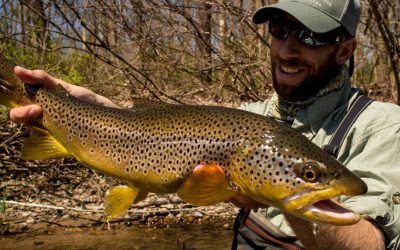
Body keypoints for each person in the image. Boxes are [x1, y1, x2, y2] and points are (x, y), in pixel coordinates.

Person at [8, 0, 400, 249]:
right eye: (279, 30)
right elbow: (154, 129)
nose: (287, 48)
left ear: (345, 49)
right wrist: (96, 109)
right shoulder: (255, 116)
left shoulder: (383, 126)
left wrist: (287, 196)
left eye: (310, 36)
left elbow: (371, 245)